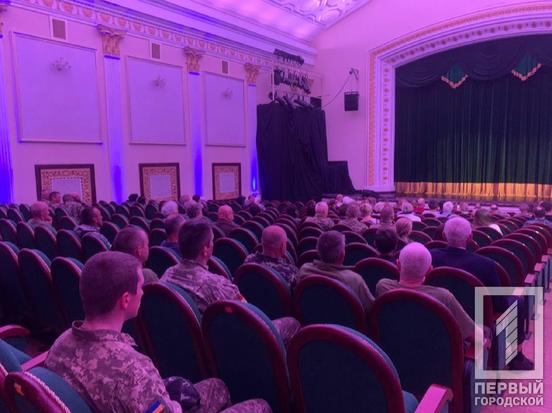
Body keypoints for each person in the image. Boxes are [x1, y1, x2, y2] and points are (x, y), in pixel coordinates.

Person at [45, 252, 270, 413]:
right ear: (125, 300)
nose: (143, 292)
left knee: (217, 386)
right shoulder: (134, 369)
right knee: (260, 405)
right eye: (140, 287)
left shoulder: (60, 344)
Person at [162, 221, 299, 345]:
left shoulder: (167, 274)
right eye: (212, 241)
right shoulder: (216, 285)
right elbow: (252, 319)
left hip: (184, 344)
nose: (213, 244)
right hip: (233, 345)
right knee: (293, 323)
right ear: (205, 250)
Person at [431, 217, 533, 369]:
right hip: (476, 318)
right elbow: (499, 303)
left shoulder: (430, 256)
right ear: (470, 237)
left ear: (444, 236)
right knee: (517, 302)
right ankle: (516, 356)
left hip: (436, 314)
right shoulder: (485, 264)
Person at [376, 243, 478, 342]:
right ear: (429, 270)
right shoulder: (443, 297)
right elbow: (476, 337)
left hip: (387, 351)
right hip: (435, 353)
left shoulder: (383, 287)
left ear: (398, 265)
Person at [298, 231, 374, 314]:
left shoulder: (304, 269)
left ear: (318, 251)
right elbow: (372, 310)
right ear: (342, 254)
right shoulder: (355, 280)